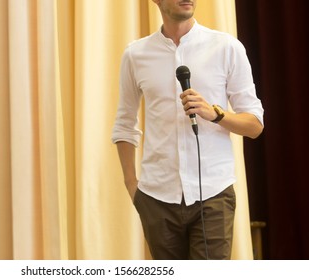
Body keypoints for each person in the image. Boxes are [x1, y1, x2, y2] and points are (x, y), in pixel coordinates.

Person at [111, 0, 264, 260]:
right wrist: (132, 186)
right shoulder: (136, 54)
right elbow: (125, 124)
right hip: (156, 198)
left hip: (213, 196)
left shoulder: (226, 47)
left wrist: (215, 114)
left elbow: (255, 125)